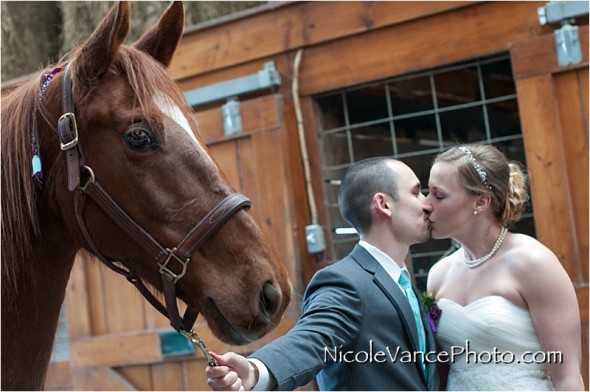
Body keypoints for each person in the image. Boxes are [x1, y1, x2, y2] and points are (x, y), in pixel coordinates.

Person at [206, 157, 439, 391]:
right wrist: (257, 371)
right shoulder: (346, 283)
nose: (427, 204)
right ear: (383, 204)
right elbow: (312, 339)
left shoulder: (402, 281)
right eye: (416, 192)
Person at [425, 144, 583, 390]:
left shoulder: (532, 263)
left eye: (439, 195)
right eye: (427, 192)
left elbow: (567, 377)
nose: (426, 204)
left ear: (481, 202)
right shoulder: (438, 275)